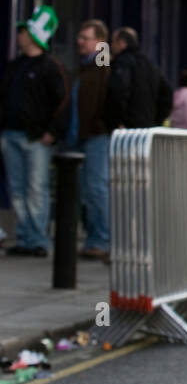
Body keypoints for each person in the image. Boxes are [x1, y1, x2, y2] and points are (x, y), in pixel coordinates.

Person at [0, 5, 68, 255]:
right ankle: (25, 238)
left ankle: (38, 239)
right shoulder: (14, 66)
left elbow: (63, 101)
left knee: (36, 189)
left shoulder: (50, 67)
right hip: (11, 135)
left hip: (37, 138)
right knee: (17, 190)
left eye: (23, 31)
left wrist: (52, 132)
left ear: (33, 35)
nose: (18, 35)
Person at [66, 19, 112, 259]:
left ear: (100, 42)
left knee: (96, 188)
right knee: (87, 189)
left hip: (96, 136)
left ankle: (101, 240)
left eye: (86, 38)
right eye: (80, 37)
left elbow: (109, 96)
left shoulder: (102, 65)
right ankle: (95, 238)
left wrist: (100, 124)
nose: (79, 42)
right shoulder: (84, 68)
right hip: (80, 136)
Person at [104, 28, 173, 131]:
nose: (111, 46)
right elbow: (167, 94)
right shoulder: (150, 64)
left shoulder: (123, 62)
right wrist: (156, 121)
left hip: (127, 129)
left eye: (113, 42)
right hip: (147, 130)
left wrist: (115, 121)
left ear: (122, 43)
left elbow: (118, 92)